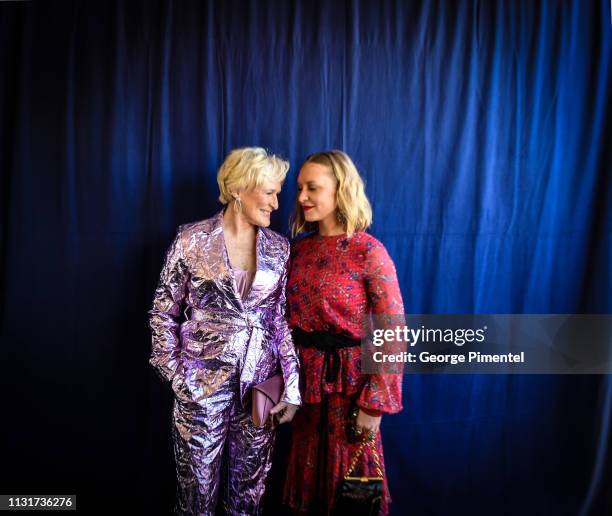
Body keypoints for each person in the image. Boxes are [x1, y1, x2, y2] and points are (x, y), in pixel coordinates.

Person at [149, 147, 301, 515]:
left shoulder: (280, 249)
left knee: (248, 497)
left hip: (259, 391)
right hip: (201, 389)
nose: (276, 204)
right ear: (238, 189)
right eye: (269, 192)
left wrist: (292, 385)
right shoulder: (191, 240)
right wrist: (177, 377)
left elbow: (279, 319)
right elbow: (162, 313)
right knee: (195, 498)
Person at [282, 150, 404, 515]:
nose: (302, 196)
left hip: (352, 391)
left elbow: (391, 331)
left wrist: (375, 404)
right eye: (300, 188)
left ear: (341, 190)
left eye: (312, 188)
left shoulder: (368, 251)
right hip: (306, 391)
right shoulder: (297, 252)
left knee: (351, 495)